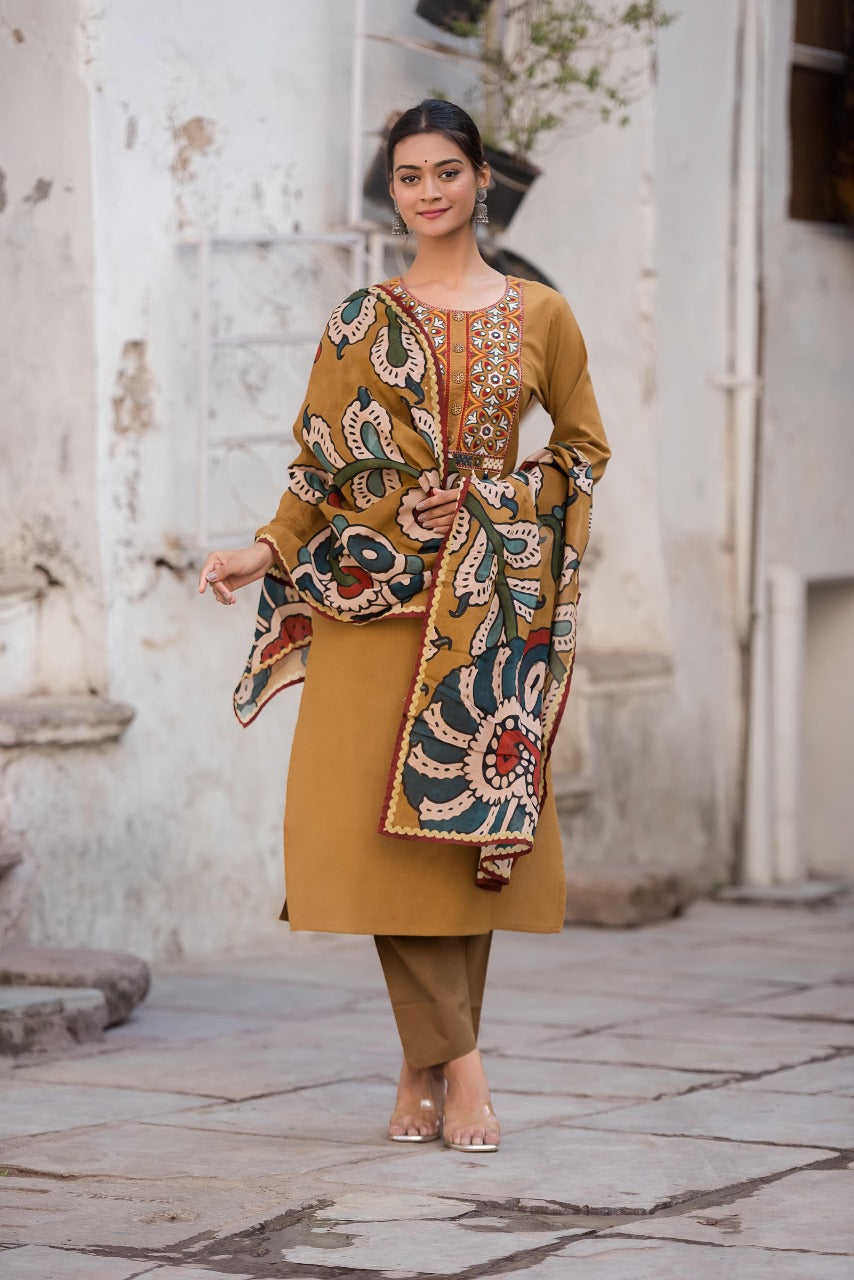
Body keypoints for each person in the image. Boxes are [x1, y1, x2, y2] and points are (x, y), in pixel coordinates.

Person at [198, 99, 610, 1154]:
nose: (425, 192)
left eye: (444, 172)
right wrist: (263, 545)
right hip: (371, 600)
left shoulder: (540, 315)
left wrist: (494, 502)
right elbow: (318, 463)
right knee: (379, 837)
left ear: (480, 180)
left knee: (458, 837)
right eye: (407, 177)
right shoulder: (358, 320)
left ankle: (420, 1060)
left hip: (483, 608)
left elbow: (579, 449)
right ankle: (461, 1064)